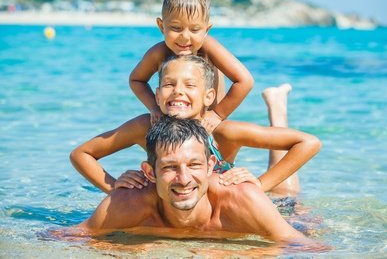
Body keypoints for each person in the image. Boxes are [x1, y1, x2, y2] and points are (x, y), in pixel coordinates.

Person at [70, 55, 321, 197]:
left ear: (209, 97)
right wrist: (114, 187)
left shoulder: (223, 132)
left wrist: (262, 184)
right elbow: (81, 154)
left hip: (224, 195)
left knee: (286, 194)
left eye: (190, 86)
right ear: (157, 96)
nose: (178, 91)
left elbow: (308, 143)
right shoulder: (146, 127)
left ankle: (277, 110)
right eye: (169, 85)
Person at [69, 115, 316, 248]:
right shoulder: (128, 203)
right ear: (150, 173)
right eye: (170, 167)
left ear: (211, 166)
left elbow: (305, 246)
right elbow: (66, 237)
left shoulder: (241, 199)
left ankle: (278, 111)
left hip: (274, 210)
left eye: (194, 165)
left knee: (289, 197)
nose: (184, 179)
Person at [129, 0, 254, 132]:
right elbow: (136, 80)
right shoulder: (159, 52)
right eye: (176, 28)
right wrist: (154, 108)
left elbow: (244, 81)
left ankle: (275, 105)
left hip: (208, 123)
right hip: (176, 122)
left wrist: (217, 114)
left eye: (195, 29)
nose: (185, 37)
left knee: (221, 150)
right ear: (161, 26)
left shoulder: (208, 48)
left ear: (206, 29)